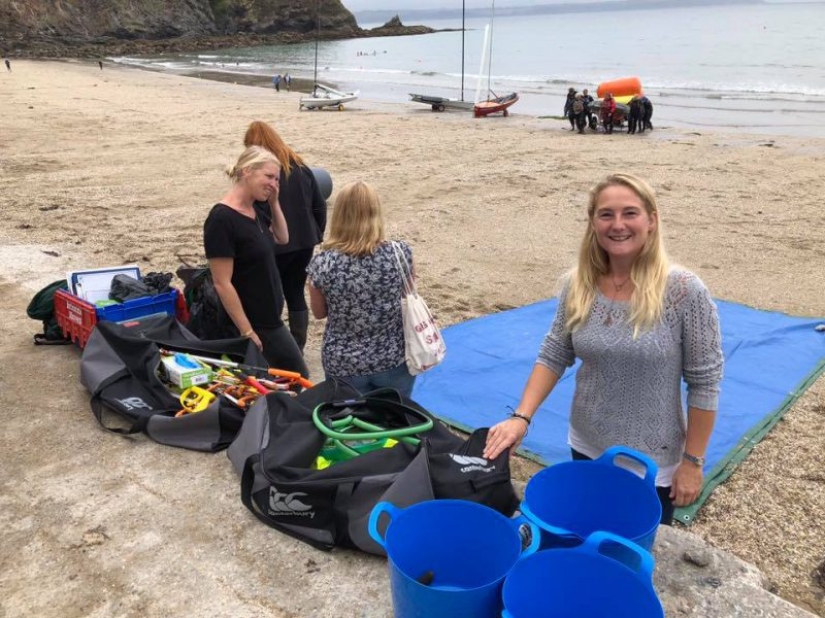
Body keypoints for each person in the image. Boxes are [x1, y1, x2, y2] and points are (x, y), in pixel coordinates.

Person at [483, 173, 723, 525]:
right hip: (586, 441)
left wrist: (693, 462)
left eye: (630, 213)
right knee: (588, 529)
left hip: (652, 460)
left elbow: (705, 382)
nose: (618, 225)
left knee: (634, 547)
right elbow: (554, 353)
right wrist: (521, 417)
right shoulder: (578, 283)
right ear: (593, 222)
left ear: (652, 220)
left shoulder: (684, 291)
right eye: (606, 214)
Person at [203, 146, 309, 377]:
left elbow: (283, 237)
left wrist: (274, 202)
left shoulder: (256, 210)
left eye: (277, 179)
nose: (273, 183)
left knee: (284, 381)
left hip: (270, 317)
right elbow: (222, 282)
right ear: (247, 171)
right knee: (297, 377)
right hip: (251, 322)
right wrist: (246, 330)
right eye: (269, 176)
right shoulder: (222, 219)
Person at [306, 181, 416, 397]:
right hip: (392, 356)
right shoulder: (400, 253)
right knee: (396, 421)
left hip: (343, 361)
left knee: (348, 426)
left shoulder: (323, 263)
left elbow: (319, 313)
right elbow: (408, 295)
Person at [243, 120, 327, 353]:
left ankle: (278, 345)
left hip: (276, 244)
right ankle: (297, 345)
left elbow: (253, 210)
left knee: (273, 294)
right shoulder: (300, 167)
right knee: (295, 291)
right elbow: (319, 206)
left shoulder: (263, 174)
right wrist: (316, 233)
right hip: (304, 242)